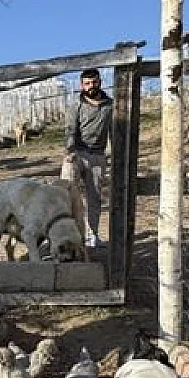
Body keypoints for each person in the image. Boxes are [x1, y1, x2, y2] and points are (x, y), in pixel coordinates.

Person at [62, 67, 113, 249]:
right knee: (67, 194)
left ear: (100, 82)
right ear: (81, 85)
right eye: (87, 83)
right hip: (77, 154)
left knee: (95, 197)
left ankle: (93, 236)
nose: (91, 86)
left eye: (94, 82)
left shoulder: (109, 106)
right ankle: (68, 236)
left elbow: (113, 131)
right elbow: (70, 130)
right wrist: (70, 151)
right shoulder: (76, 105)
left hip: (98, 156)